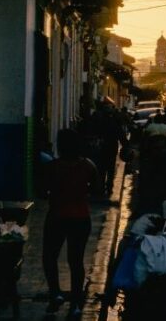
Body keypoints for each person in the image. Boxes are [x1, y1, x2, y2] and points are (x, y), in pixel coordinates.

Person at [43, 128, 99, 318]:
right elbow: (98, 189)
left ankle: (55, 293)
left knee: (49, 257)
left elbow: (43, 191)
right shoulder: (88, 166)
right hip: (80, 218)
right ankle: (75, 302)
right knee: (76, 261)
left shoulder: (52, 167)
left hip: (57, 217)